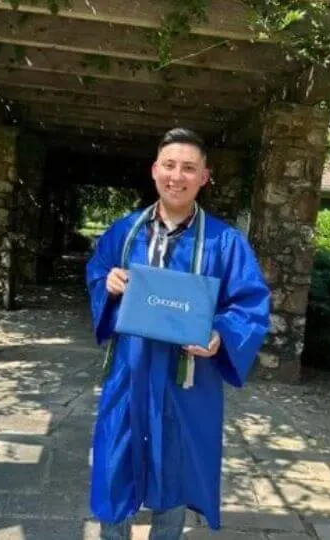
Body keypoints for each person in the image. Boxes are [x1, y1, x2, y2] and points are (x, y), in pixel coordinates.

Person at [85, 128, 271, 539]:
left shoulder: (226, 242)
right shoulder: (125, 231)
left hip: (187, 375)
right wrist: (108, 283)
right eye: (169, 165)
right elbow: (97, 271)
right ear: (155, 171)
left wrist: (221, 335)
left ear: (204, 177)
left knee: (176, 463)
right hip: (130, 369)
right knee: (115, 462)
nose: (177, 176)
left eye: (189, 168)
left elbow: (250, 304)